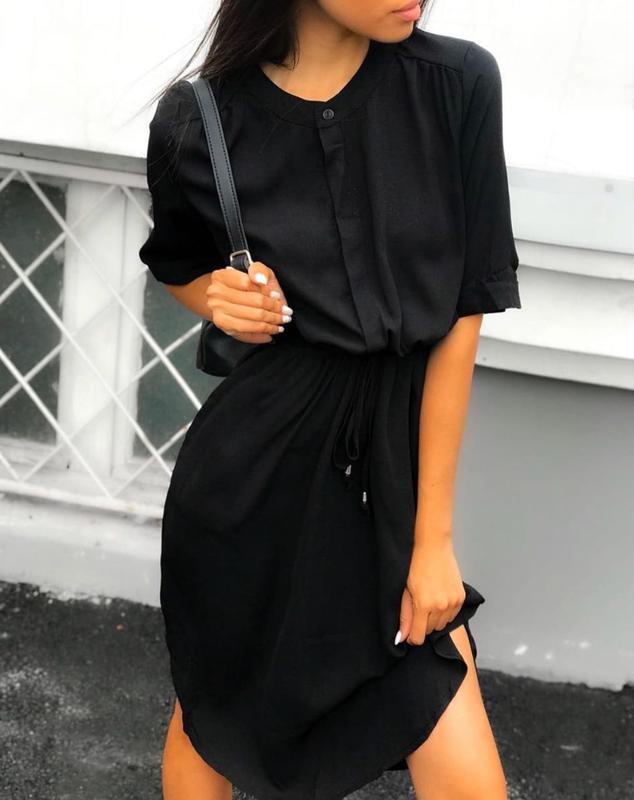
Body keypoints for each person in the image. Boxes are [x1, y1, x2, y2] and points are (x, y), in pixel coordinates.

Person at [138, 1, 521, 798]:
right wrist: (220, 298)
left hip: (386, 472)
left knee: (442, 707)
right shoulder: (199, 119)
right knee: (215, 716)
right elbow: (179, 265)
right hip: (255, 475)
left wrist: (432, 541)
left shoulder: (455, 84)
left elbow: (465, 312)